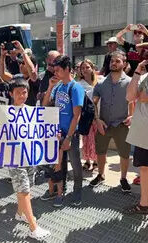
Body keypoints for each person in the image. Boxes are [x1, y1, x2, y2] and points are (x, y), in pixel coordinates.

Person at [0, 76, 51, 240]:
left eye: (25, 92)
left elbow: (40, 132)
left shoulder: (32, 111)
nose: (22, 95)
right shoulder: (4, 113)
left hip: (30, 158)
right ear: (11, 94)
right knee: (24, 191)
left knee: (27, 189)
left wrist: (52, 135)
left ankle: (20, 213)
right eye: (19, 93)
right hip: (14, 159)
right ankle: (33, 228)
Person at [42, 55, 85, 206]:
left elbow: (76, 115)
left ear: (67, 69)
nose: (56, 73)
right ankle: (62, 187)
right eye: (54, 70)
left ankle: (78, 190)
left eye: (59, 70)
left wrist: (68, 137)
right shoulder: (58, 86)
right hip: (56, 132)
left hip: (70, 133)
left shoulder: (76, 87)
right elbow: (45, 106)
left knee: (75, 162)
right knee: (60, 163)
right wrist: (50, 87)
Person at [90, 51, 133, 193]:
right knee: (101, 152)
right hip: (104, 124)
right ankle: (100, 175)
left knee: (124, 153)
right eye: (112, 61)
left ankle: (123, 178)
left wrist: (131, 116)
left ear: (124, 64)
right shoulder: (101, 83)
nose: (113, 63)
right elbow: (94, 102)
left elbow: (134, 101)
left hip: (122, 124)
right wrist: (97, 120)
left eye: (117, 61)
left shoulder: (130, 82)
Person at [123, 57, 148, 214]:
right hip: (143, 131)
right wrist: (136, 72)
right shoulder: (144, 77)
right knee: (145, 169)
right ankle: (143, 204)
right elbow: (129, 97)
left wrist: (147, 98)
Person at [0, 41, 39, 106]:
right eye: (20, 63)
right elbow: (2, 74)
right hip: (16, 113)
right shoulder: (17, 77)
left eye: (23, 63)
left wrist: (23, 52)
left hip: (29, 113)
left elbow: (32, 72)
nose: (21, 65)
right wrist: (2, 55)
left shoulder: (36, 79)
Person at [78, 59, 101, 171]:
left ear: (92, 68)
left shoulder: (100, 81)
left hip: (98, 115)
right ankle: (87, 160)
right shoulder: (79, 84)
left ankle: (96, 161)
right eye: (83, 68)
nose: (85, 70)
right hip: (85, 116)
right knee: (86, 139)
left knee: (96, 140)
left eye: (87, 67)